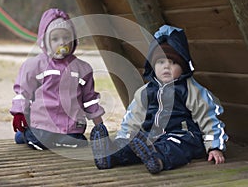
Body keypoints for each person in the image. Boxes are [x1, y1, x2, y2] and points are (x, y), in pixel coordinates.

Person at [90, 25, 228, 174]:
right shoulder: (145, 92)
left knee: (174, 146)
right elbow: (132, 119)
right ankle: (111, 155)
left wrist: (214, 146)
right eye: (161, 62)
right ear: (153, 65)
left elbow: (209, 118)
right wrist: (124, 139)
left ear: (183, 66)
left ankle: (158, 160)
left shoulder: (192, 90)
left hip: (183, 136)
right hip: (152, 138)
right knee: (135, 144)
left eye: (173, 63)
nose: (166, 67)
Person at [10, 8, 104, 150]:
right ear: (45, 41)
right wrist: (19, 113)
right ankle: (27, 134)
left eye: (66, 38)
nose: (62, 43)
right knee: (39, 140)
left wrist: (99, 124)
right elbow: (23, 92)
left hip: (71, 127)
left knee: (79, 143)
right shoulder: (35, 66)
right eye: (55, 39)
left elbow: (89, 98)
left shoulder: (82, 69)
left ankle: (37, 137)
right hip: (43, 124)